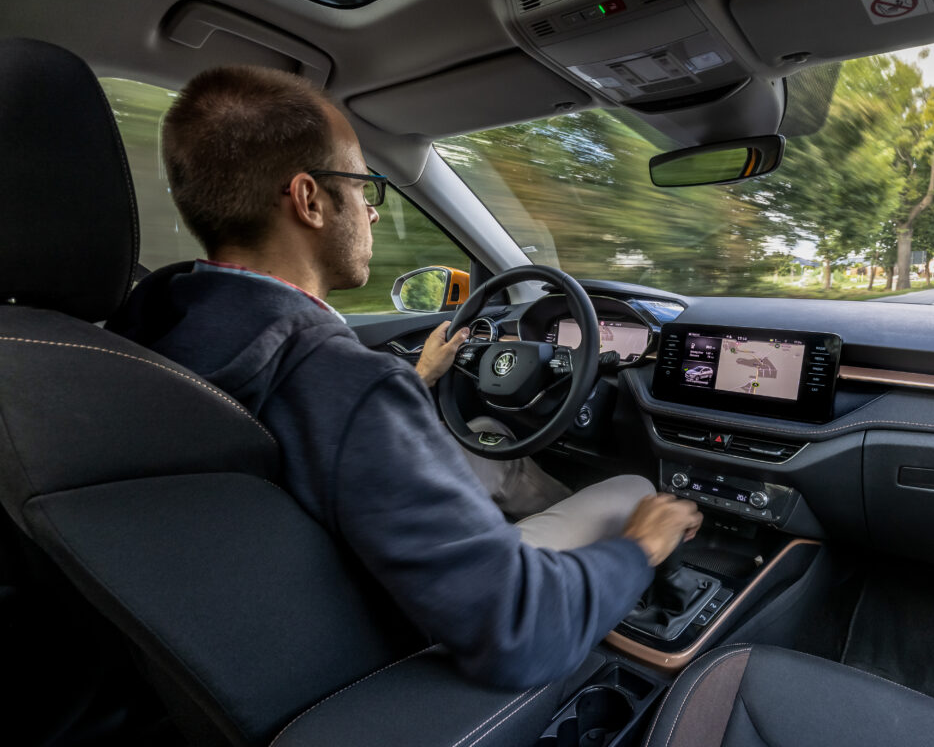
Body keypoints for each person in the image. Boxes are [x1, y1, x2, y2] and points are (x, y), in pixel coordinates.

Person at [106, 65, 701, 689]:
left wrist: (414, 381)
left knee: (487, 439)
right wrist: (639, 548)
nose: (370, 211)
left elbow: (311, 435)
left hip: (244, 620)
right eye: (363, 186)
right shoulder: (340, 380)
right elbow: (520, 632)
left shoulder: (149, 326)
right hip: (379, 641)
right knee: (635, 491)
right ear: (309, 200)